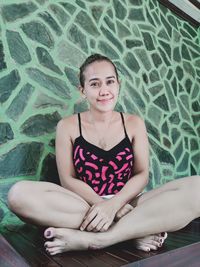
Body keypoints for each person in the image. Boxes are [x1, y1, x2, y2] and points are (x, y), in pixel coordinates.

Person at [8, 54, 200, 256]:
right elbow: (68, 179)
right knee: (18, 195)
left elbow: (142, 174)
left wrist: (115, 205)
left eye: (110, 81)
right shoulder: (67, 126)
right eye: (94, 84)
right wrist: (102, 205)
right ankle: (133, 231)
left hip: (128, 203)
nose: (104, 90)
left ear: (118, 84)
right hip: (84, 204)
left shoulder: (134, 123)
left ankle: (99, 239)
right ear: (82, 91)